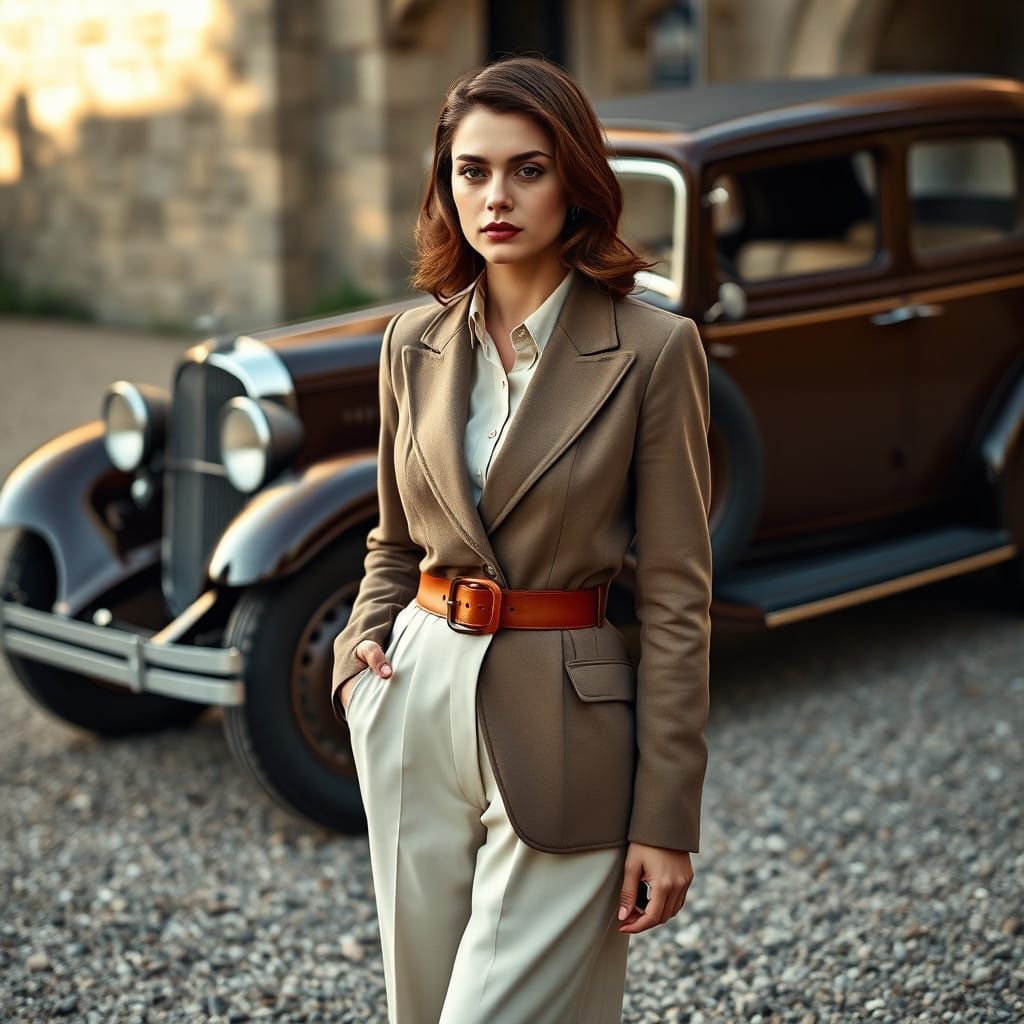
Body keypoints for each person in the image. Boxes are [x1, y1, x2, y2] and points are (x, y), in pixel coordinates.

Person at [330, 55, 713, 1024]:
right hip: (410, 695)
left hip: (567, 705)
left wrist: (666, 819)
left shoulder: (655, 348)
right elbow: (391, 538)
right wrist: (356, 656)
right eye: (471, 170)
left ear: (574, 177)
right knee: (419, 1008)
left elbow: (676, 597)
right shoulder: (409, 342)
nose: (494, 195)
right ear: (444, 183)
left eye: (527, 168)